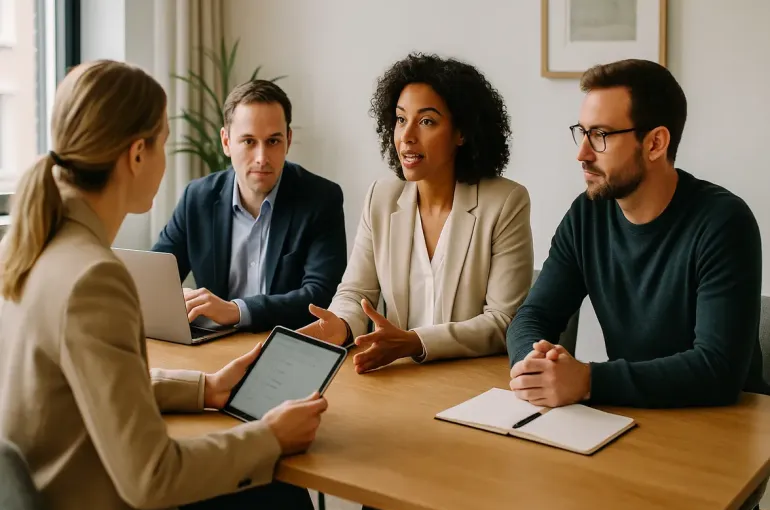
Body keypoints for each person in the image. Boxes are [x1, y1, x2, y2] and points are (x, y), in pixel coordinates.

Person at [0, 60, 327, 510]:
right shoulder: (93, 279)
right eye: (164, 143)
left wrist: (205, 388)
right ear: (138, 154)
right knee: (275, 492)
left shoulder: (25, 247)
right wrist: (270, 436)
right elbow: (152, 477)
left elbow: (89, 386)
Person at [507, 58, 768, 409]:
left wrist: (588, 380)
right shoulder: (587, 213)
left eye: (600, 135)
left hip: (723, 424)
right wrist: (534, 365)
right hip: (630, 414)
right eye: (582, 132)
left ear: (655, 143)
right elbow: (533, 315)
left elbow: (718, 369)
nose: (582, 153)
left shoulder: (724, 222)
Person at [299, 52, 534, 377]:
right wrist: (340, 324)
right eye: (400, 119)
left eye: (427, 121)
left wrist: (414, 342)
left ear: (462, 132)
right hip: (401, 377)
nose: (406, 135)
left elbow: (503, 321)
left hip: (471, 381)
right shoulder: (381, 197)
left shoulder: (506, 202)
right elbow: (356, 292)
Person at [151, 79, 347, 332]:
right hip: (215, 344)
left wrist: (237, 311)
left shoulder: (321, 198)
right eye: (248, 141)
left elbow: (321, 296)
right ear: (226, 142)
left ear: (288, 140)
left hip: (286, 343)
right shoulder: (197, 198)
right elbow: (156, 280)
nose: (262, 158)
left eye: (273, 141)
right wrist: (183, 300)